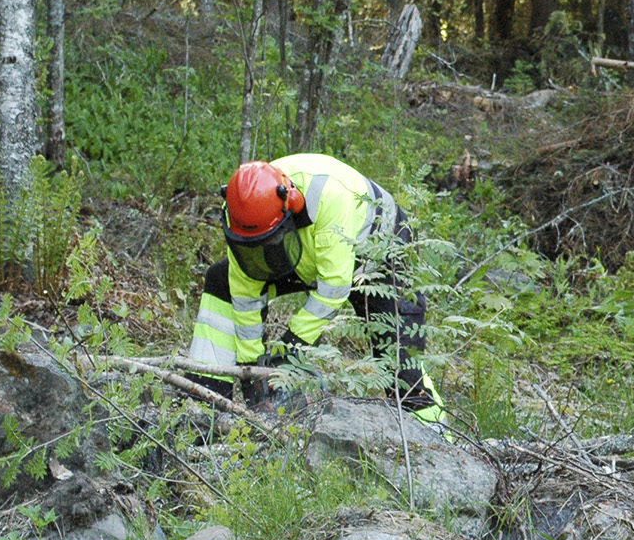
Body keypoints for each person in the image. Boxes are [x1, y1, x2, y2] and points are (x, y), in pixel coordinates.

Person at [186, 153, 445, 423]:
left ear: (292, 207)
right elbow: (244, 293)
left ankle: (438, 440)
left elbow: (333, 288)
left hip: (377, 254)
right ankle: (204, 404)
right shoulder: (242, 216)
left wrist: (290, 348)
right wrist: (252, 369)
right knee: (221, 280)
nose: (258, 250)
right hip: (303, 252)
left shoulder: (331, 197)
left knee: (399, 361)